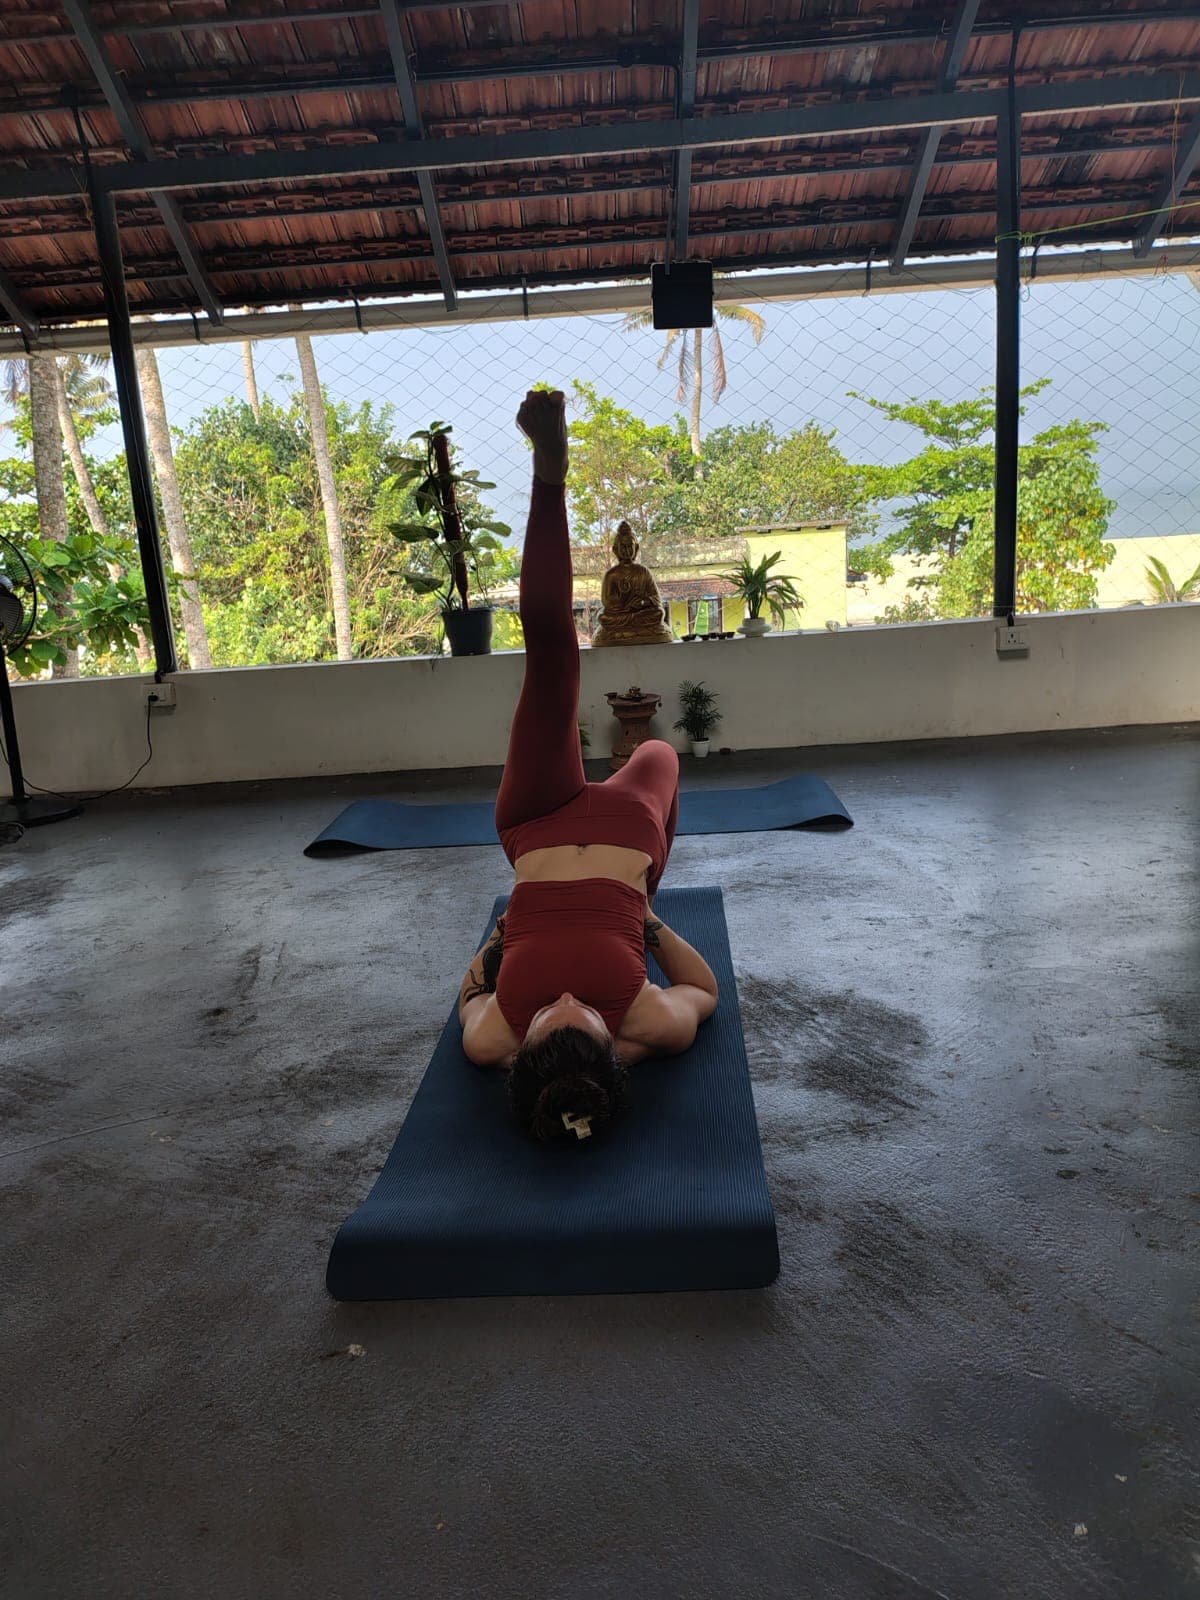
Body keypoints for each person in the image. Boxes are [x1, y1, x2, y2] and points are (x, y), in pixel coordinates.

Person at [458, 389, 719, 1142]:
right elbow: (706, 990)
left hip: (536, 822)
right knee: (658, 751)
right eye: (586, 1014)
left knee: (552, 656)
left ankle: (549, 471)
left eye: (549, 1011)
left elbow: (470, 997)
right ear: (612, 1046)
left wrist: (500, 944)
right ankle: (649, 854)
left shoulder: (492, 1040)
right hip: (626, 832)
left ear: (525, 1047)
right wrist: (648, 920)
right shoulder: (653, 1024)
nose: (568, 997)